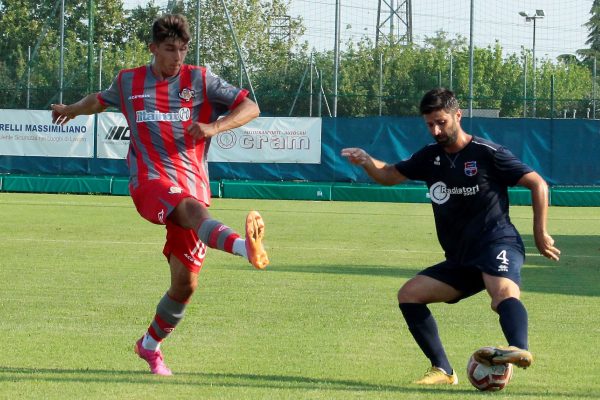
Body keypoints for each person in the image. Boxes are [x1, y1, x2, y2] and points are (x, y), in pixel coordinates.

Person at [51, 14, 269, 376]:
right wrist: (70, 110)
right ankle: (247, 248)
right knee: (190, 210)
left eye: (183, 49)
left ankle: (149, 346)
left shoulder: (201, 78)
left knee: (184, 285)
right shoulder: (128, 82)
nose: (177, 57)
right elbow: (99, 101)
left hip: (194, 182)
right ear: (153, 48)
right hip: (148, 181)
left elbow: (251, 107)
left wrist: (214, 126)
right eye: (170, 49)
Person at [341, 88, 560, 385]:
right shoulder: (429, 157)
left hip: (497, 243)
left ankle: (519, 349)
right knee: (409, 295)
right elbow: (390, 175)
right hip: (461, 257)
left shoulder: (486, 153)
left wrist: (540, 232)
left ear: (458, 115)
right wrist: (367, 160)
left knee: (503, 295)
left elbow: (537, 183)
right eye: (430, 124)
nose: (436, 130)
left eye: (441, 122)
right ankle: (443, 370)